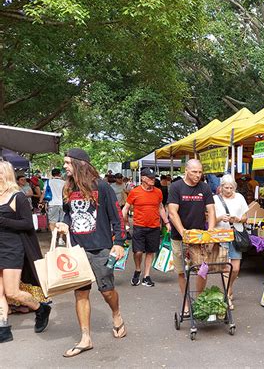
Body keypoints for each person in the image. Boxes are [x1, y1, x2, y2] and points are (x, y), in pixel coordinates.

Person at [55, 148, 127, 358]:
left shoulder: (102, 187)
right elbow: (69, 216)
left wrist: (120, 242)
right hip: (77, 250)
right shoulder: (67, 188)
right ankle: (85, 338)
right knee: (81, 293)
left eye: (68, 163)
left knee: (107, 291)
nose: (65, 166)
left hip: (101, 249)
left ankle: (116, 314)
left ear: (79, 164)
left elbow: (117, 217)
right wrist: (64, 225)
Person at [0, 161, 51, 343]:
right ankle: (3, 328)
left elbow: (28, 224)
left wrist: (3, 221)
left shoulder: (17, 197)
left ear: (3, 174)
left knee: (12, 292)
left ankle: (40, 308)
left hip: (12, 248)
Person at [168, 159, 216, 314]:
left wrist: (211, 233)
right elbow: (172, 212)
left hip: (199, 237)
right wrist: (183, 232)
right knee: (182, 271)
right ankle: (186, 302)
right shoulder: (176, 187)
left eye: (200, 172)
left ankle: (200, 298)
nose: (198, 175)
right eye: (195, 172)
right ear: (186, 171)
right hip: (179, 237)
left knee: (202, 269)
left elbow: (211, 211)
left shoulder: (205, 187)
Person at [123, 167, 170, 287]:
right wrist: (123, 223)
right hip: (139, 226)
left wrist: (167, 223)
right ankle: (138, 270)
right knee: (138, 252)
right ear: (143, 178)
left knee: (150, 251)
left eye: (154, 178)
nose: (153, 180)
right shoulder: (135, 192)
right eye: (150, 178)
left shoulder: (158, 192)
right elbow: (126, 208)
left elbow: (161, 208)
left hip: (154, 227)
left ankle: (146, 276)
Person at [213, 175, 249, 310]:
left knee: (236, 268)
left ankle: (230, 287)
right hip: (221, 235)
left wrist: (237, 219)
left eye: (231, 188)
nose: (228, 190)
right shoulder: (215, 199)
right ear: (221, 187)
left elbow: (246, 217)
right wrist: (220, 217)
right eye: (226, 187)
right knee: (226, 268)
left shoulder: (240, 197)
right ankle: (226, 296)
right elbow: (210, 219)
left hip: (236, 235)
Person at [39, 168, 65, 233]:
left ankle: (54, 236)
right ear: (60, 174)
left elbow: (44, 193)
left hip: (52, 204)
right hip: (63, 204)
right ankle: (60, 239)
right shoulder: (64, 183)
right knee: (62, 221)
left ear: (52, 174)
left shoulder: (48, 182)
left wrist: (40, 202)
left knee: (52, 221)